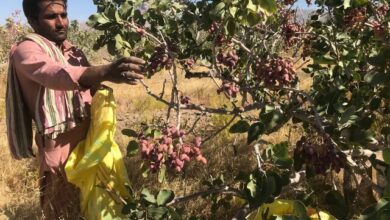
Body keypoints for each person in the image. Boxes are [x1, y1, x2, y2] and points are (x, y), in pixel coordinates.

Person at [6, 0, 145, 219]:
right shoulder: (27, 50)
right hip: (58, 150)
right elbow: (55, 74)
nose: (61, 23)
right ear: (33, 21)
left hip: (89, 145)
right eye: (51, 17)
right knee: (63, 212)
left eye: (64, 14)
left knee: (100, 208)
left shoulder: (74, 52)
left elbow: (90, 86)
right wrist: (104, 71)